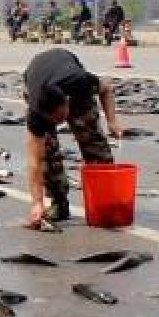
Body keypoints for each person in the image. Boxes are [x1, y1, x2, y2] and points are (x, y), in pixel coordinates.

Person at [23, 48, 122, 227]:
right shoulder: (37, 113)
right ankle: (59, 202)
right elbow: (34, 161)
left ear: (67, 102)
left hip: (70, 79)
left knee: (93, 141)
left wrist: (112, 121)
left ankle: (104, 201)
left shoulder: (81, 82)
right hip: (36, 79)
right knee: (47, 151)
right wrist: (37, 202)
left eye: (62, 118)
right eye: (54, 121)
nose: (61, 123)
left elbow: (106, 88)